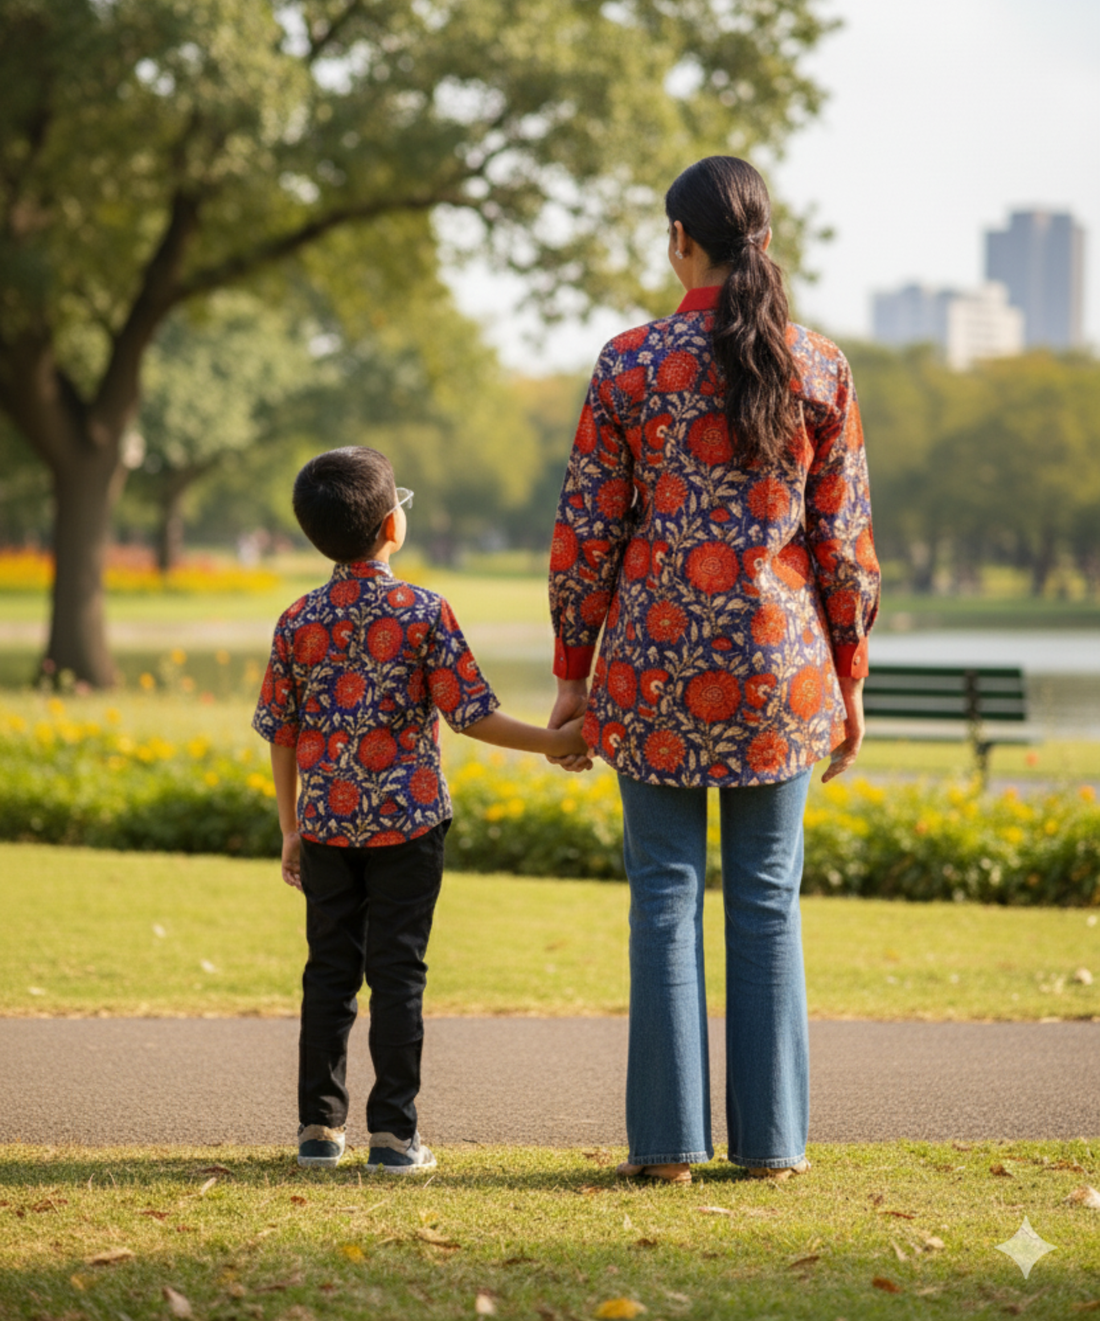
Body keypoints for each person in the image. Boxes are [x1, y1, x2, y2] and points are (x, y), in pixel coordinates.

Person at [547, 156, 880, 1183]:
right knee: (768, 901)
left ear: (675, 240)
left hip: (650, 665)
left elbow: (585, 532)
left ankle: (665, 1150)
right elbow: (843, 541)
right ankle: (773, 1147)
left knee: (662, 894)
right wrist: (850, 678)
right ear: (765, 241)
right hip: (781, 671)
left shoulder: (627, 364)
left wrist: (571, 670)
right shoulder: (816, 366)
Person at [253, 445, 589, 1172]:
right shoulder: (423, 611)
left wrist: (290, 829)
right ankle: (393, 1138)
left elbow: (281, 732)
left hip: (325, 826)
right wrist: (556, 740)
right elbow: (471, 715)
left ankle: (318, 1130)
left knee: (328, 975)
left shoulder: (297, 619)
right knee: (398, 974)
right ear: (390, 526)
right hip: (408, 824)